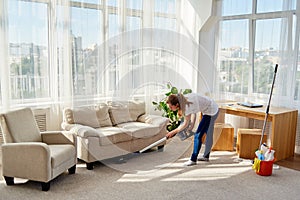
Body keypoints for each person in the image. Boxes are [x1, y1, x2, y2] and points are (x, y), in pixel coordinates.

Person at [165, 93, 219, 166]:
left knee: (198, 135)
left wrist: (173, 132)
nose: (170, 109)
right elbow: (193, 112)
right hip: (208, 108)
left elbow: (185, 123)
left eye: (171, 107)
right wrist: (192, 125)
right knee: (207, 132)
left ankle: (193, 159)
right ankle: (206, 156)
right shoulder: (184, 100)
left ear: (177, 104)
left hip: (211, 111)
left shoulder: (186, 106)